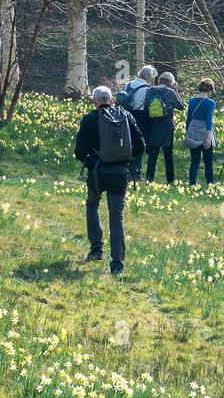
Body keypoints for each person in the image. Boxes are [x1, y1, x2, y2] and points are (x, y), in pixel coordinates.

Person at [75, 85, 144, 275]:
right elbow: (141, 145)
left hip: (97, 173)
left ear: (95, 102)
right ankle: (117, 264)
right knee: (116, 215)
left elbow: (79, 151)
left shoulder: (90, 119)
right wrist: (128, 162)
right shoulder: (126, 117)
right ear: (111, 100)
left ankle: (96, 250)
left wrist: (91, 160)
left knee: (92, 206)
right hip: (120, 173)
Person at [143, 72, 185, 183]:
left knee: (153, 154)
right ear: (171, 82)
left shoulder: (150, 90)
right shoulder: (170, 92)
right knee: (168, 154)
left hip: (153, 125)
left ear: (159, 80)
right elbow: (181, 106)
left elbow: (146, 105)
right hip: (167, 125)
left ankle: (149, 179)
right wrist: (176, 90)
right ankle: (170, 181)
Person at [119, 65, 156, 181]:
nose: (152, 79)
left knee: (127, 144)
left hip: (126, 117)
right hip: (141, 119)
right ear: (148, 76)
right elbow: (149, 106)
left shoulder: (128, 84)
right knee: (140, 145)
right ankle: (135, 173)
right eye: (152, 77)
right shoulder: (147, 89)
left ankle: (125, 170)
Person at [184, 79, 217, 185]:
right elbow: (208, 121)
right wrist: (208, 138)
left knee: (194, 161)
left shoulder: (192, 101)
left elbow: (189, 119)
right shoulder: (210, 103)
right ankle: (210, 184)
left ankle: (192, 184)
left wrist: (187, 133)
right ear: (210, 89)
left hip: (193, 131)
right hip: (205, 132)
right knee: (208, 162)